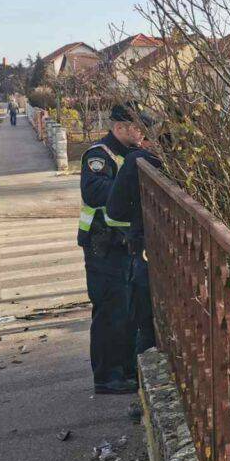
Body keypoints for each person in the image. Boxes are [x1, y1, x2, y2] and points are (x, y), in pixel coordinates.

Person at [78, 104, 146, 395]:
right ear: (119, 128)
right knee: (110, 312)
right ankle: (107, 377)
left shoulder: (131, 155)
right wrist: (128, 187)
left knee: (128, 311)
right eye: (136, 127)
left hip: (124, 245)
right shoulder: (99, 155)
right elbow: (94, 192)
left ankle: (127, 370)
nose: (142, 132)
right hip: (102, 245)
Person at [106, 135, 163, 361]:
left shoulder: (139, 161)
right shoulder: (204, 161)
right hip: (191, 260)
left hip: (147, 252)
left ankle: (137, 378)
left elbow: (115, 210)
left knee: (147, 326)